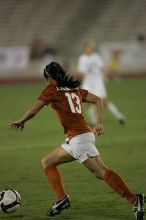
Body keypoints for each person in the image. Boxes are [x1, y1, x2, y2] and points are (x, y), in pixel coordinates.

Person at [10, 62, 144, 219]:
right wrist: (99, 122)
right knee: (47, 162)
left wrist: (22, 121)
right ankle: (61, 199)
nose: (46, 82)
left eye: (46, 79)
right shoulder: (74, 88)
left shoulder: (52, 90)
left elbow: (33, 110)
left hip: (79, 139)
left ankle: (134, 199)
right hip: (77, 137)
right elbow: (98, 100)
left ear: (51, 78)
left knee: (100, 171)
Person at [77, 42, 126, 126]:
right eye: (88, 47)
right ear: (85, 48)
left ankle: (119, 116)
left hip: (97, 81)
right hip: (88, 82)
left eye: (91, 48)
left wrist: (105, 76)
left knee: (102, 101)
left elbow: (101, 68)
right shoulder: (82, 58)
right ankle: (93, 122)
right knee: (87, 102)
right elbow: (81, 71)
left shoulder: (96, 57)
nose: (90, 49)